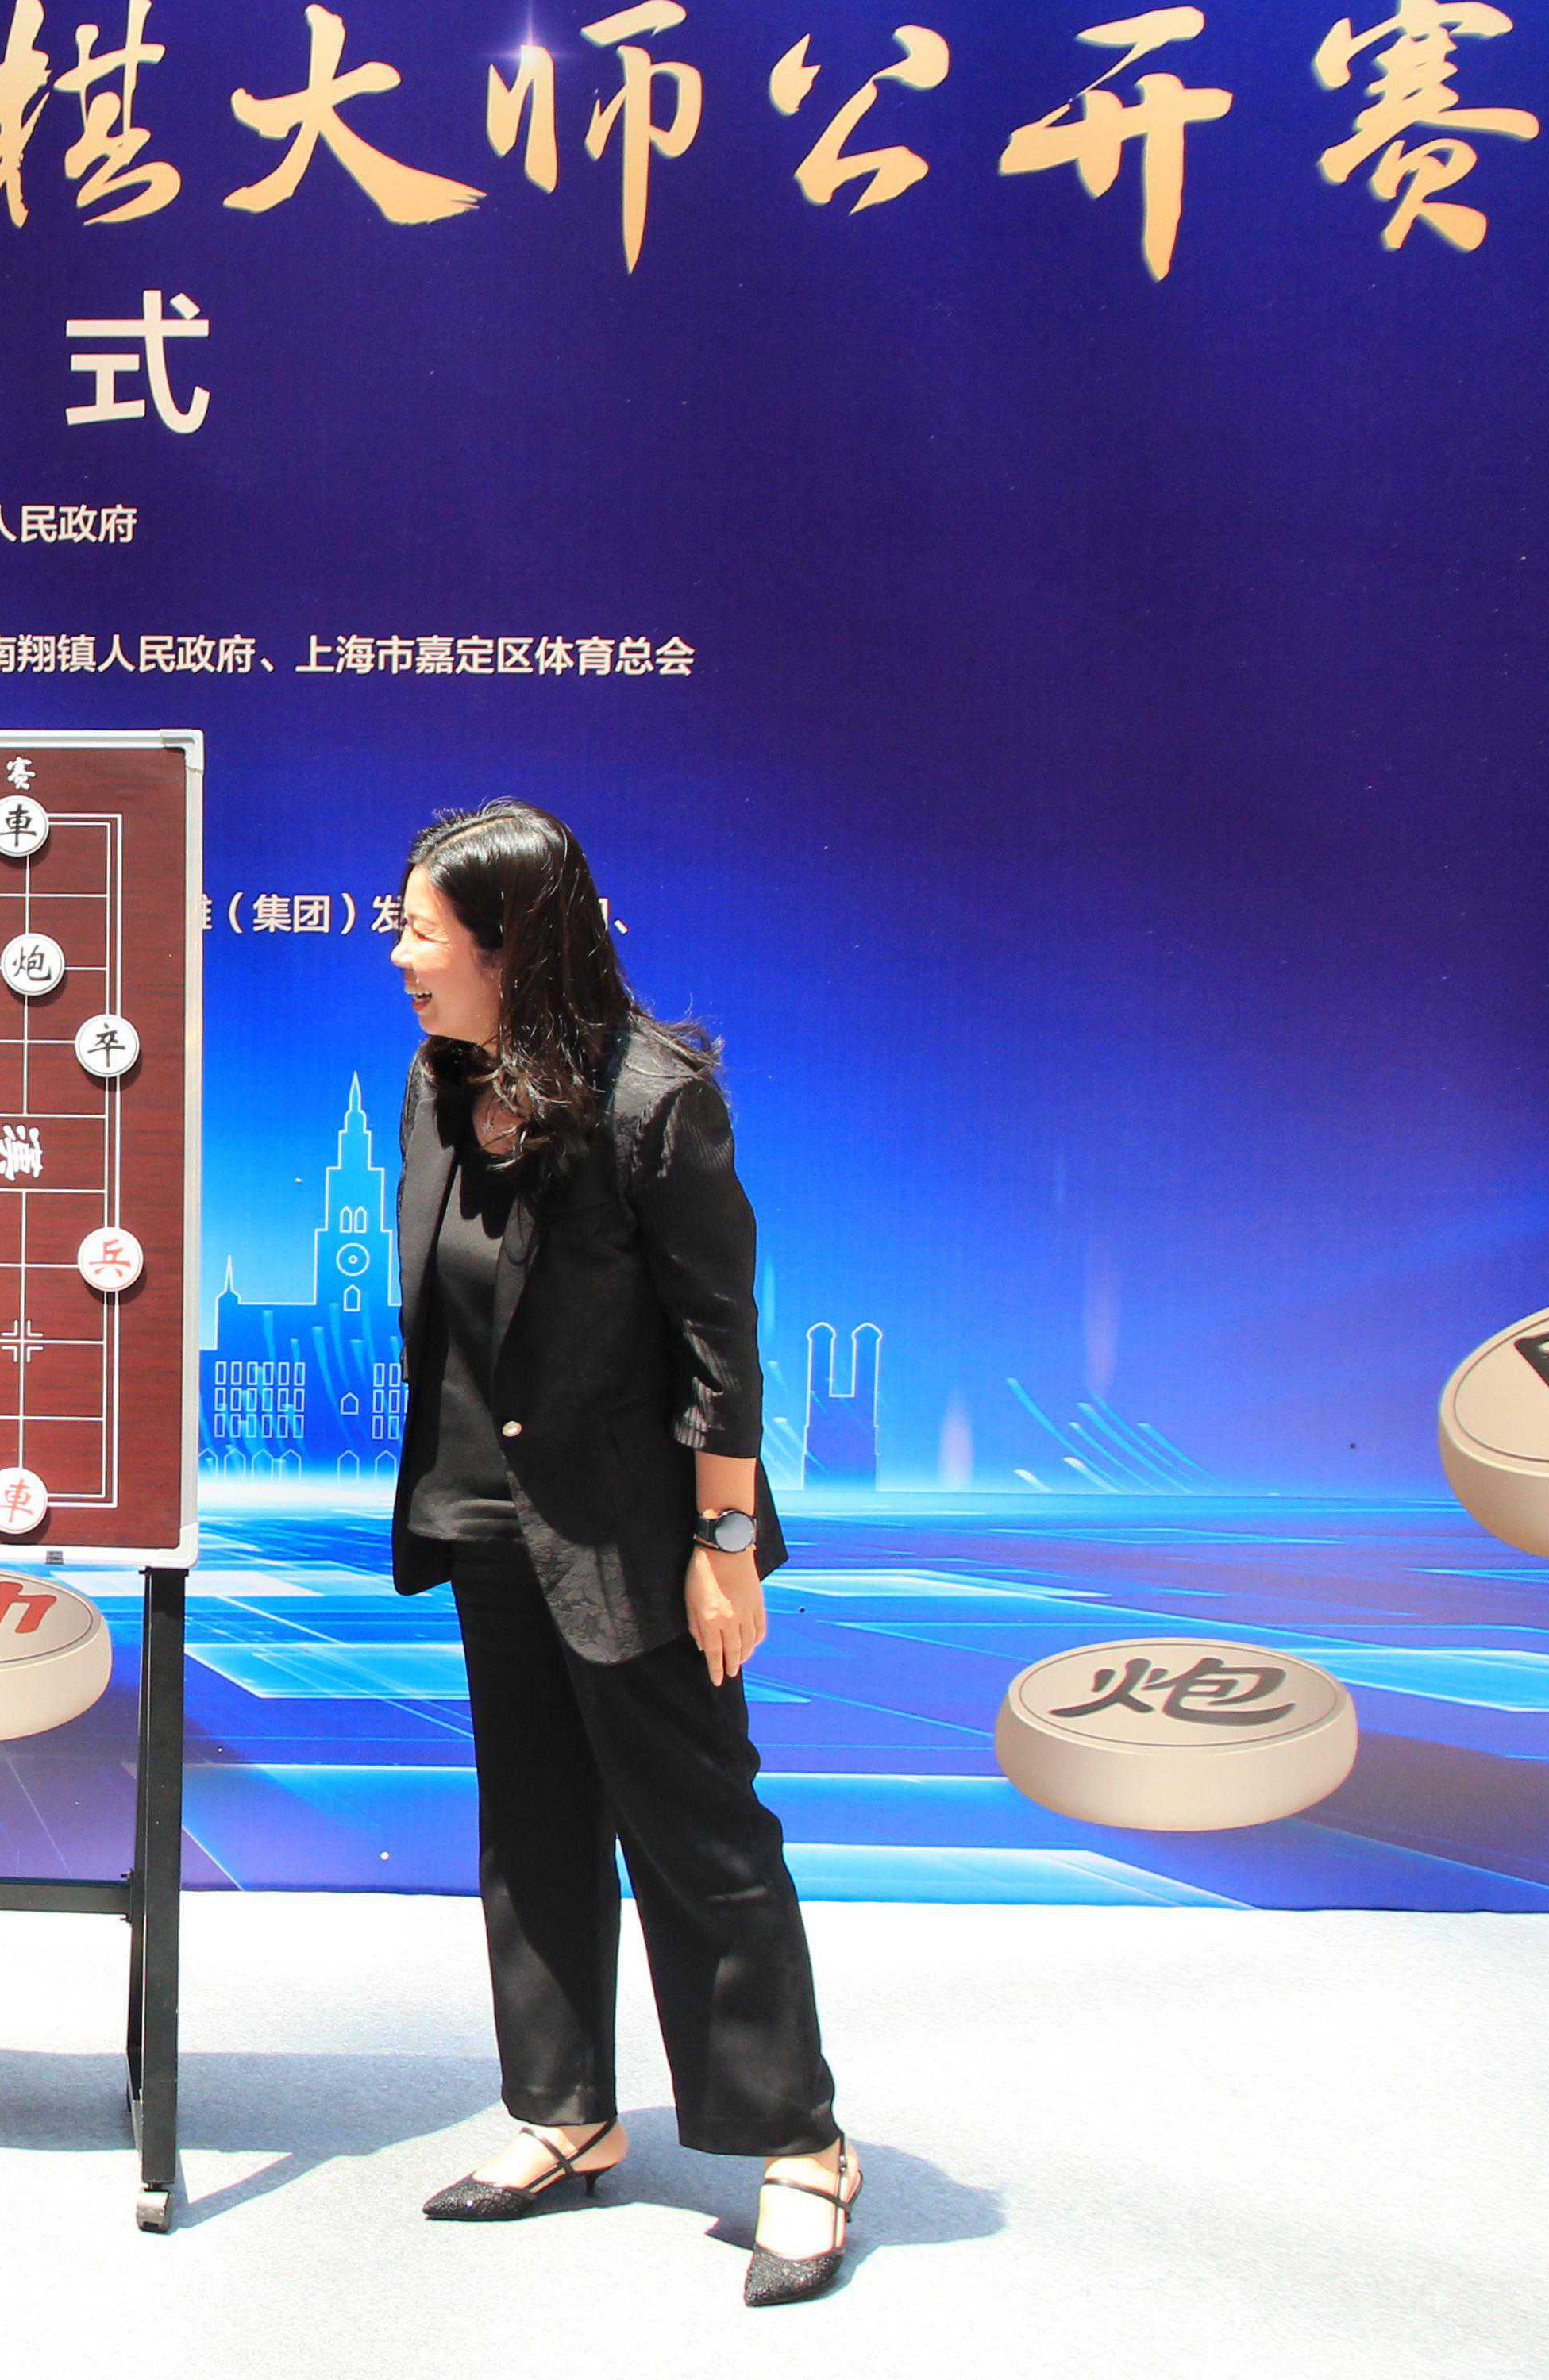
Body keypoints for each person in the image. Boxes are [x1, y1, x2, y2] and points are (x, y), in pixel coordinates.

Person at [385, 800, 860, 2308]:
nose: (399, 953)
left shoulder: (653, 1102)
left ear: (508, 944)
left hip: (639, 1537)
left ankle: (798, 2142)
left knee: (696, 1834)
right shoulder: (440, 1083)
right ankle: (566, 2113)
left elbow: (721, 1342)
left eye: (423, 930)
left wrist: (722, 1543)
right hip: (484, 1514)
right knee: (531, 1826)